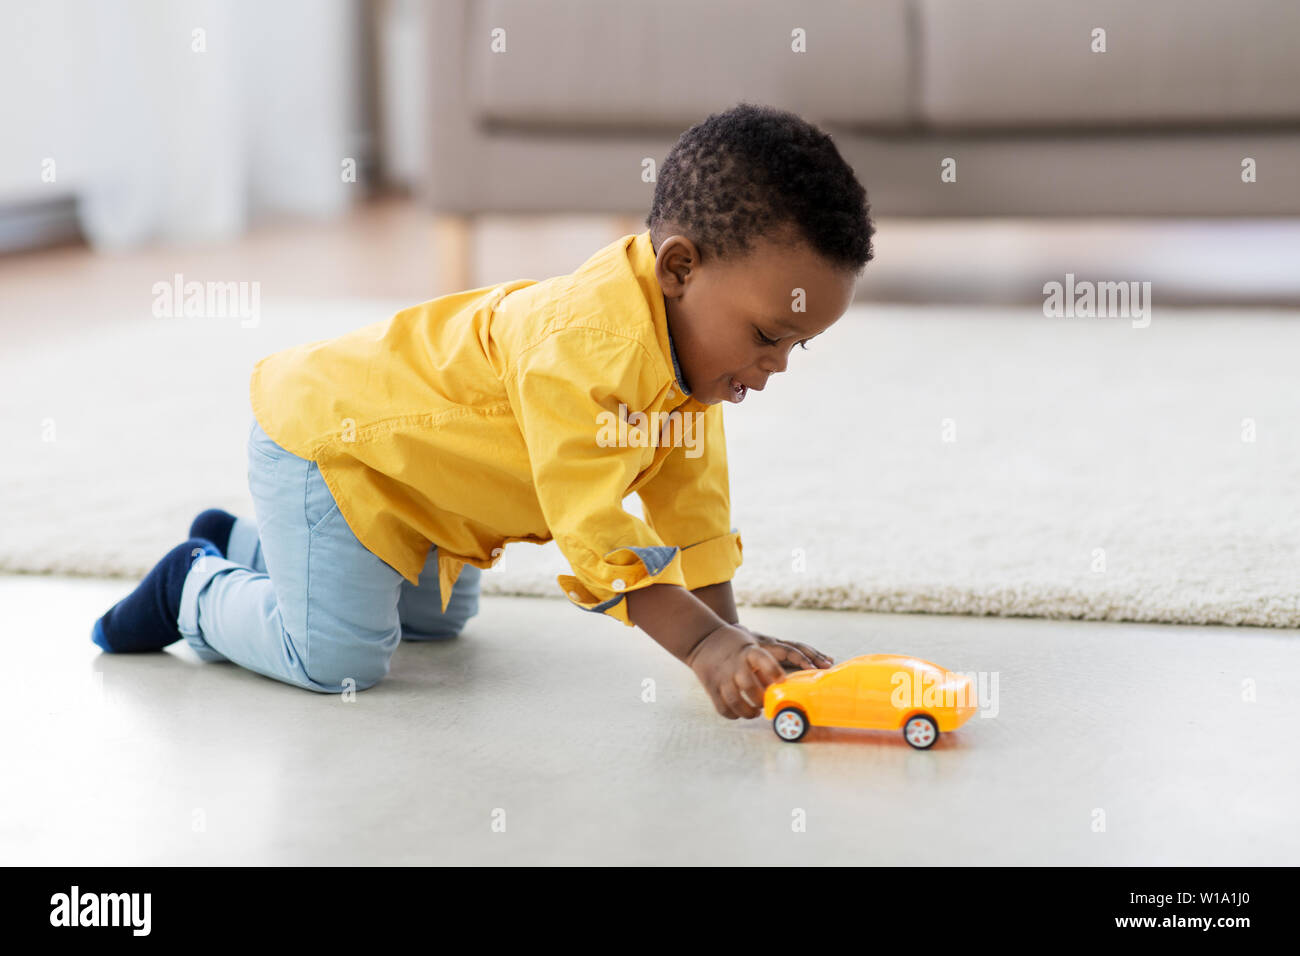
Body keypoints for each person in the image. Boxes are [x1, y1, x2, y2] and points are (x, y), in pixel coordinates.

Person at [91, 102, 876, 720]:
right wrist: (706, 648)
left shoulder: (690, 365)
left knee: (438, 624)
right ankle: (192, 585)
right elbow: (594, 529)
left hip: (427, 498)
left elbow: (692, 513)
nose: (774, 367)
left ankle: (250, 541)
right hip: (332, 450)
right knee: (341, 661)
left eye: (795, 347)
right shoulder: (585, 348)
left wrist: (740, 640)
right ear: (680, 266)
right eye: (769, 336)